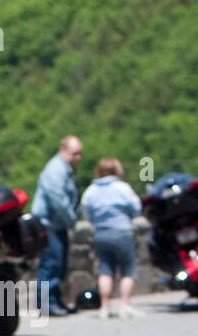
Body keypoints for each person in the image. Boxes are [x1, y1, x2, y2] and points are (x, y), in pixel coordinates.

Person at [80, 158, 142, 318]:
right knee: (127, 270)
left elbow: (86, 212)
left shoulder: (91, 190)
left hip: (101, 233)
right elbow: (136, 208)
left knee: (105, 270)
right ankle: (125, 305)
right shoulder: (122, 188)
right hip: (122, 231)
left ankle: (105, 307)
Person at [31, 135, 84, 315]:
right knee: (50, 264)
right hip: (48, 224)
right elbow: (58, 201)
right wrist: (72, 221)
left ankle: (56, 300)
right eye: (74, 154)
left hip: (57, 225)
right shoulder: (56, 170)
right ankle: (46, 304)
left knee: (59, 264)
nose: (78, 158)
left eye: (79, 154)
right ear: (63, 151)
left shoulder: (64, 169)